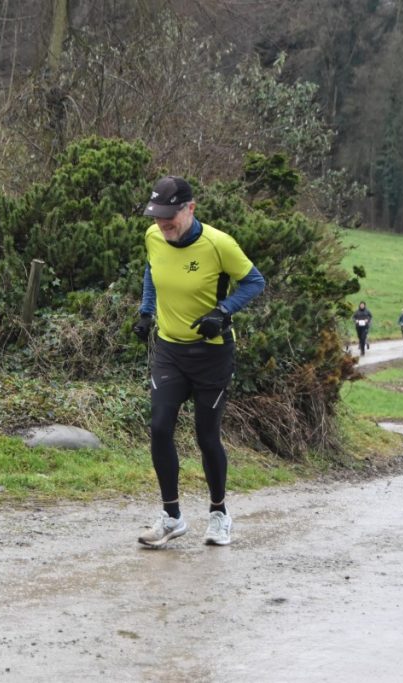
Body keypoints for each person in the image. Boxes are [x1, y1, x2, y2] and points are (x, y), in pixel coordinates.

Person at [131, 176, 265, 548]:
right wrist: (146, 312)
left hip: (212, 355)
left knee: (207, 436)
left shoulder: (219, 244)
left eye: (169, 216)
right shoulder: (153, 236)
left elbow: (255, 282)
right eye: (157, 216)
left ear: (190, 208)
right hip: (170, 350)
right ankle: (172, 517)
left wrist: (222, 311)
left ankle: (219, 514)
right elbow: (152, 270)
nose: (163, 223)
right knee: (160, 427)